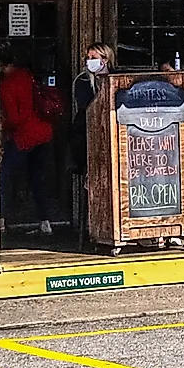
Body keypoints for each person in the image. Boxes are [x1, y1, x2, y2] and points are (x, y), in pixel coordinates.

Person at [0, 50, 62, 235]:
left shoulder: (7, 84)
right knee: (37, 179)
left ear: (1, 65)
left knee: (4, 178)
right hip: (43, 133)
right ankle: (45, 222)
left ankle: (0, 221)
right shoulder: (28, 76)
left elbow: (15, 118)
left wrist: (2, 126)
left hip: (23, 137)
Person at [68, 42, 111, 234]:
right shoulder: (83, 81)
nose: (89, 61)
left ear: (105, 59)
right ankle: (92, 223)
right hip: (87, 133)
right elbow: (87, 107)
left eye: (94, 58)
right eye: (88, 57)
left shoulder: (114, 77)